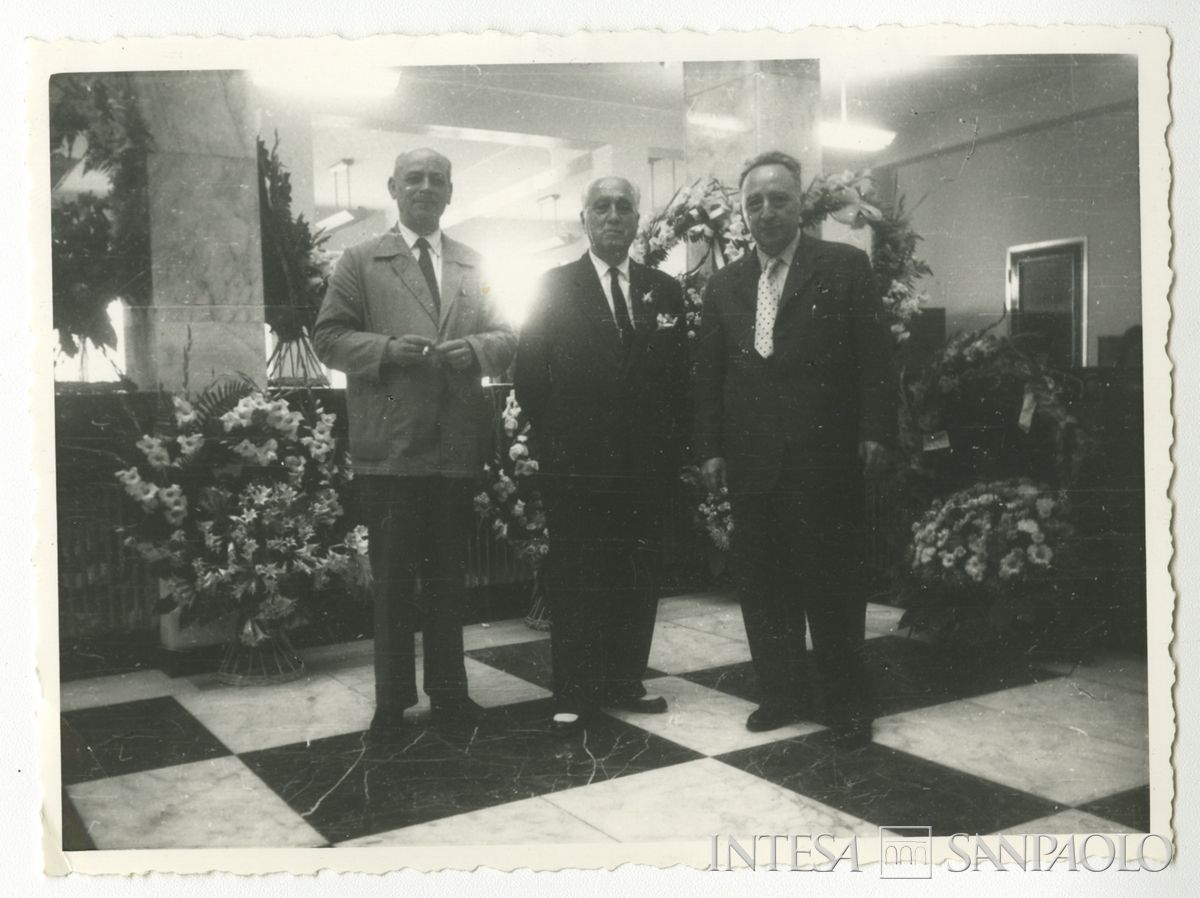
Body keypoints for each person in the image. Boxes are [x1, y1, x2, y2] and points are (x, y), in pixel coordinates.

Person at [693, 151, 896, 747]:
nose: (765, 211)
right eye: (754, 201)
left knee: (833, 584)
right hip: (754, 465)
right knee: (763, 585)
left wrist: (877, 431)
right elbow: (708, 377)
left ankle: (846, 703)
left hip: (826, 458)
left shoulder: (843, 265)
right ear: (742, 211)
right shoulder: (725, 284)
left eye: (778, 198)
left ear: (800, 203)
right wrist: (708, 448)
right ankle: (779, 693)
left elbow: (875, 363)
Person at [313, 148, 516, 743]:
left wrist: (477, 350)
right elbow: (327, 337)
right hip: (391, 451)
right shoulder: (359, 260)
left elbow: (508, 334)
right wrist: (383, 351)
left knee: (451, 581)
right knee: (395, 583)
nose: (425, 188)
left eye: (436, 180)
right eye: (414, 179)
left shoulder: (473, 263)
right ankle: (392, 700)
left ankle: (451, 695)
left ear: (450, 191)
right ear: (393, 189)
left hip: (454, 447)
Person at [514, 176, 688, 735]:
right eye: (602, 207)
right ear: (584, 218)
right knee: (578, 576)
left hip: (645, 468)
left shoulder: (665, 291)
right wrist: (564, 444)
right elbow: (529, 379)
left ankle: (623, 679)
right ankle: (574, 689)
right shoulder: (553, 286)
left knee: (636, 574)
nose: (613, 216)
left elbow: (679, 380)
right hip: (578, 465)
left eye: (624, 207)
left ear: (638, 220)